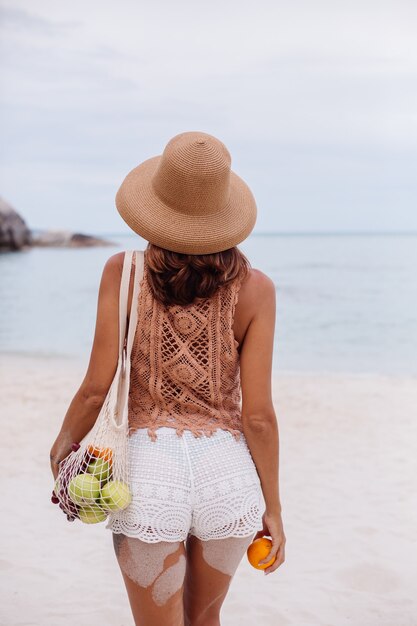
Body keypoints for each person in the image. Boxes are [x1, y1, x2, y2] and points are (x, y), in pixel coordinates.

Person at [50, 131, 285, 626]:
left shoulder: (123, 272)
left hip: (148, 482)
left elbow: (96, 387)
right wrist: (274, 508)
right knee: (205, 621)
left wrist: (62, 445)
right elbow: (259, 416)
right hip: (229, 481)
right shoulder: (257, 289)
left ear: (155, 207)